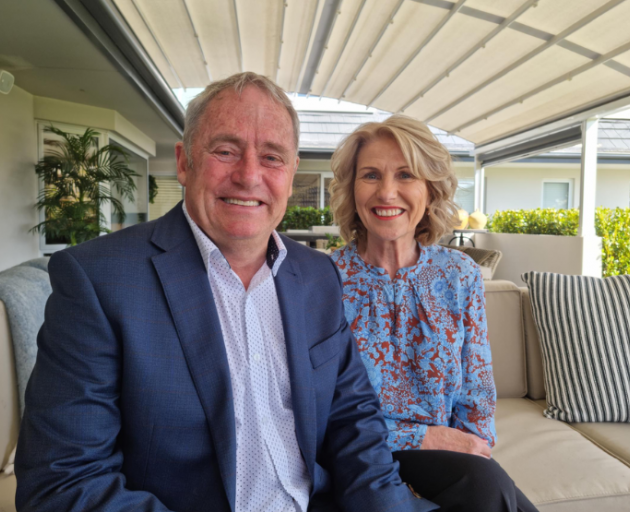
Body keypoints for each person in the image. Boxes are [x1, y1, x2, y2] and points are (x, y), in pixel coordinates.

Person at [14, 74, 438, 512]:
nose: (249, 175)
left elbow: (354, 422)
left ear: (291, 176)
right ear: (184, 162)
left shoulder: (317, 276)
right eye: (225, 151)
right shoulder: (98, 280)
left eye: (272, 157)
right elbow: (63, 484)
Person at [329, 115, 538, 512]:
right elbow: (317, 410)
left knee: (486, 485)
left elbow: (477, 392)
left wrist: (469, 445)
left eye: (406, 175)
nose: (386, 192)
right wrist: (423, 438)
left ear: (430, 189)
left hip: (446, 462)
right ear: (352, 189)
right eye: (371, 175)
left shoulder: (460, 274)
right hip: (357, 453)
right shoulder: (323, 279)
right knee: (488, 489)